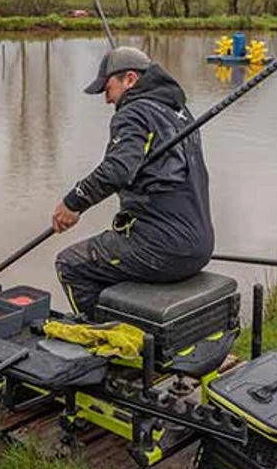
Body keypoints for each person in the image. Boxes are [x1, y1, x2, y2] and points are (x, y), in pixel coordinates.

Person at [52, 46, 214, 318]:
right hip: (200, 245)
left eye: (108, 88)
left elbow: (117, 170)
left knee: (71, 264)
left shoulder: (134, 112)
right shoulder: (178, 110)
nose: (107, 100)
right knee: (110, 257)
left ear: (130, 79)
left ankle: (108, 344)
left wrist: (72, 203)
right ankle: (134, 326)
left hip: (164, 248)